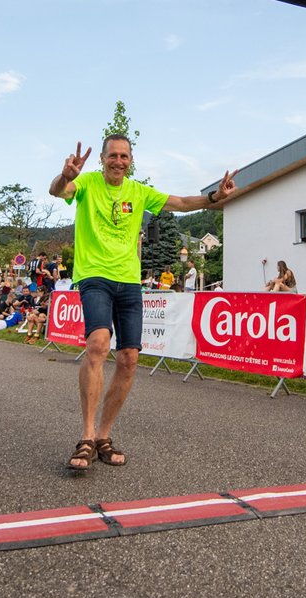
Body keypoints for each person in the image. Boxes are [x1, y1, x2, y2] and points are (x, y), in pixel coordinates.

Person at [50, 134, 236, 471]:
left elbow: (180, 203)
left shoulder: (139, 192)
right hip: (94, 276)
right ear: (102, 158)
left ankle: (104, 436)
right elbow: (58, 191)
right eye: (113, 156)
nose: (118, 161)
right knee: (98, 344)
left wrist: (213, 197)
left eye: (124, 156)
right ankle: (87, 437)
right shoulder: (87, 183)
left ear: (130, 161)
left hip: (129, 282)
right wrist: (66, 176)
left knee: (130, 358)